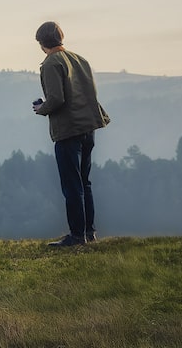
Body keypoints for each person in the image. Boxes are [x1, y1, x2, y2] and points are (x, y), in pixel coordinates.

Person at [32, 21, 110, 247]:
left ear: (41, 43)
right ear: (60, 37)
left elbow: (57, 99)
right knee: (85, 183)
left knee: (71, 185)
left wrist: (42, 108)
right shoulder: (80, 59)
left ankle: (77, 236)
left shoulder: (51, 63)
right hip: (88, 127)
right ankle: (89, 232)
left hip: (68, 131)